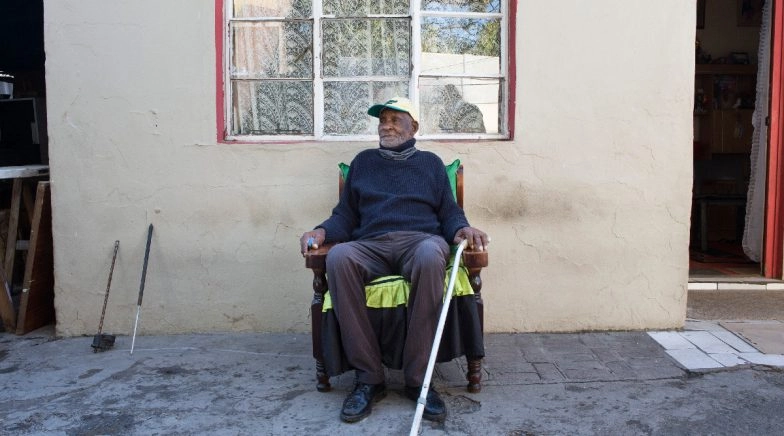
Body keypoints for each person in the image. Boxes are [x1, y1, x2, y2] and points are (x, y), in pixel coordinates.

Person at [299, 96, 489, 423]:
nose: (386, 125)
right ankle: (369, 377)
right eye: (382, 120)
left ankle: (419, 380)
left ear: (413, 127)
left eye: (394, 120)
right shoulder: (363, 163)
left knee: (432, 255)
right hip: (370, 243)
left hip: (419, 241)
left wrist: (461, 228)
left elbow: (449, 212)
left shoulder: (430, 164)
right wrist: (320, 231)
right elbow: (344, 216)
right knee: (340, 256)